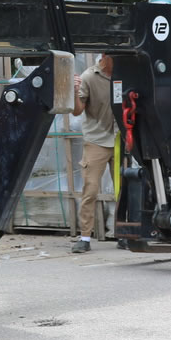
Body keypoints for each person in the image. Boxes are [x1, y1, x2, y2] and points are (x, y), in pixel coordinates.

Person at [70, 54, 116, 253]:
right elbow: (76, 111)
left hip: (121, 139)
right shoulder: (89, 77)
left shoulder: (125, 74)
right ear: (105, 56)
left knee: (125, 190)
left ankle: (125, 233)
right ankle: (85, 237)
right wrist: (74, 91)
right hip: (97, 140)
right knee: (90, 189)